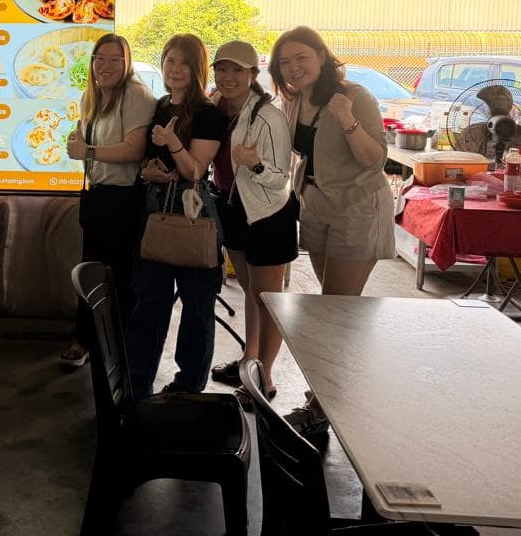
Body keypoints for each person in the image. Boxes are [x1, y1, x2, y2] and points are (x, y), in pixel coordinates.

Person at [269, 26, 394, 435]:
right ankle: (336, 394)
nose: (293, 67)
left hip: (357, 209)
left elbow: (374, 160)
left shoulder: (354, 97)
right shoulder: (295, 100)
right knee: (331, 307)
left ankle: (321, 408)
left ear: (321, 56)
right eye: (285, 61)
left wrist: (348, 121)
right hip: (317, 207)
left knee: (337, 311)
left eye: (301, 57)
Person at [127, 33, 226, 398]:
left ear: (197, 68)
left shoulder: (209, 113)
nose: (176, 69)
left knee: (197, 309)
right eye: (170, 60)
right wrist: (147, 170)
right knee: (149, 303)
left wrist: (173, 144)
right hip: (155, 209)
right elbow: (147, 160)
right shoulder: (161, 105)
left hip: (193, 214)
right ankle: (138, 386)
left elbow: (196, 171)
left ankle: (186, 390)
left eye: (185, 62)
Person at [205, 41, 298, 403]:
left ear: (252, 75)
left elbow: (280, 178)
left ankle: (265, 376)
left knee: (269, 299)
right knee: (249, 290)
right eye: (222, 69)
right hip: (234, 208)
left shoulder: (268, 115)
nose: (228, 77)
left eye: (237, 70)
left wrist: (255, 164)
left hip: (268, 213)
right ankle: (249, 359)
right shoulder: (221, 108)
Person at [63, 33, 155, 368]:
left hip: (123, 200)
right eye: (100, 58)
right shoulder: (94, 96)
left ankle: (117, 350)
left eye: (116, 58)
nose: (106, 65)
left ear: (127, 63)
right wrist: (81, 139)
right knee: (90, 271)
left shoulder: (136, 95)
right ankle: (86, 340)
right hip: (97, 197)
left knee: (119, 278)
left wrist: (87, 150)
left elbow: (134, 149)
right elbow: (87, 141)